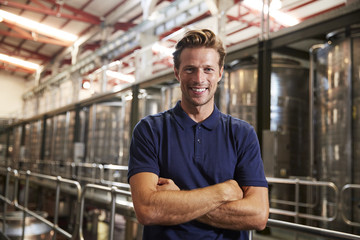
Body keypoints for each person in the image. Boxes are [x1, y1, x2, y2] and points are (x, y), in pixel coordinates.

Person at [127, 29, 269, 240]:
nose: (199, 78)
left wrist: (177, 200)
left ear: (220, 73)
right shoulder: (150, 130)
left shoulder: (242, 134)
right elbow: (148, 209)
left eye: (208, 69)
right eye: (190, 69)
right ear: (177, 72)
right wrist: (223, 192)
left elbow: (258, 216)